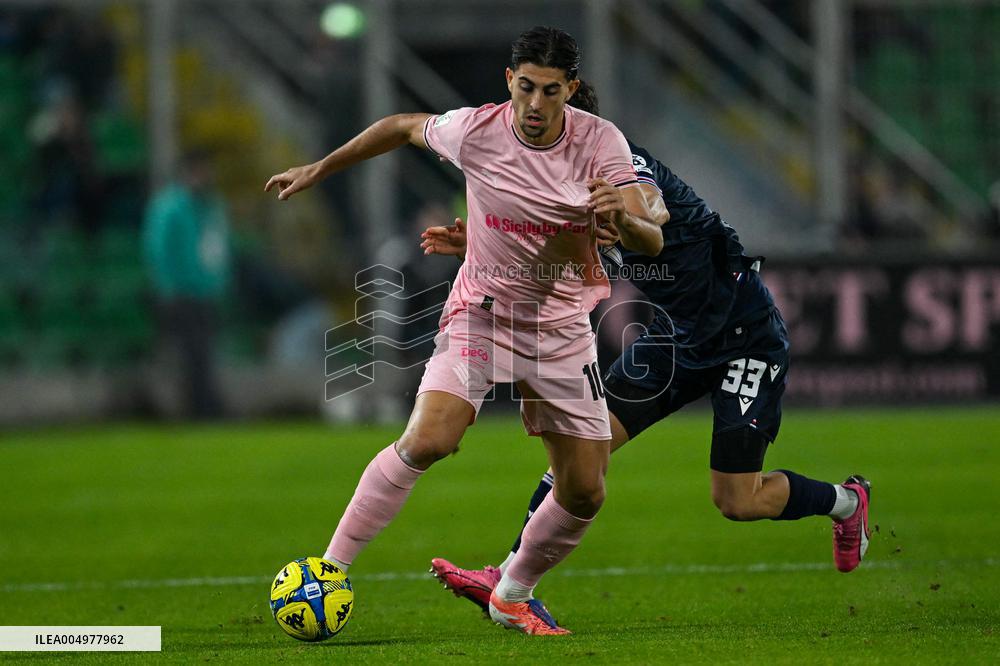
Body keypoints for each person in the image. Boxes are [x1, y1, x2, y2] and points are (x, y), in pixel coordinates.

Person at [265, 27, 661, 635]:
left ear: (570, 89)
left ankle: (512, 592)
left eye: (550, 91)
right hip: (482, 313)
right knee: (429, 438)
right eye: (525, 87)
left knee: (585, 490)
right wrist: (321, 168)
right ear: (509, 81)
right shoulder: (476, 129)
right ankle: (329, 568)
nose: (535, 103)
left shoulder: (600, 142)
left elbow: (650, 237)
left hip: (561, 330)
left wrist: (622, 220)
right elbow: (401, 126)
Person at [421, 81, 872, 615]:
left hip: (742, 337)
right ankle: (510, 577)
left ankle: (847, 502)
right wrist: (478, 246)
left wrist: (631, 218)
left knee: (737, 499)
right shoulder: (556, 187)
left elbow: (650, 210)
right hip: (673, 338)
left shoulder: (625, 171)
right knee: (583, 449)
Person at [143, 149, 230, 419]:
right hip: (180, 293)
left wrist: (218, 283)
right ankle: (197, 408)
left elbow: (218, 249)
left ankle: (204, 406)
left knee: (204, 352)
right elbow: (158, 250)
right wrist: (167, 288)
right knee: (190, 353)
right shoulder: (169, 207)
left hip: (206, 292)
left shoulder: (211, 207)